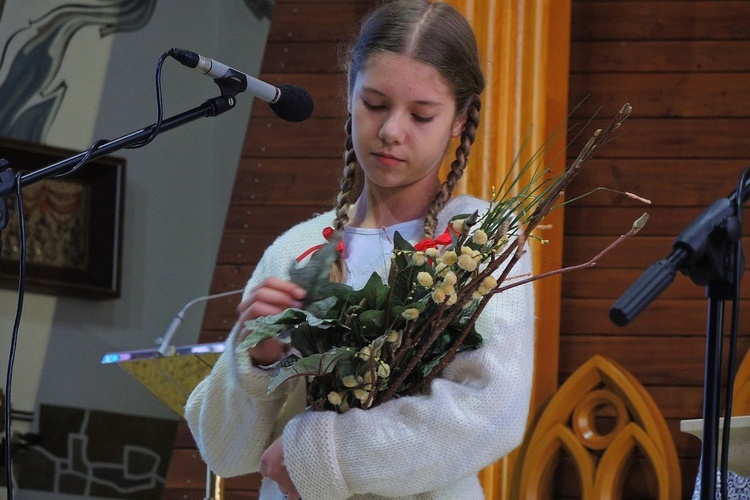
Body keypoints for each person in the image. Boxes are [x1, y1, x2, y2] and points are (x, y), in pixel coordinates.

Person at [184, 1, 535, 498]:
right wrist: (260, 360)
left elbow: (490, 412)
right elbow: (224, 450)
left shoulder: (480, 240)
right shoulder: (299, 249)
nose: (392, 130)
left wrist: (317, 452)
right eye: (374, 103)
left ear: (459, 119)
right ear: (349, 93)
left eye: (421, 114)